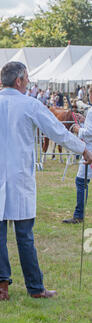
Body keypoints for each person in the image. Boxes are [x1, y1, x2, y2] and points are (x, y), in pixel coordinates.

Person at [0, 61, 92, 301]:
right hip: (18, 179)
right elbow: (58, 132)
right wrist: (83, 149)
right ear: (19, 80)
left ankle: (4, 287)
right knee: (24, 236)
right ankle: (34, 287)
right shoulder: (30, 104)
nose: (28, 83)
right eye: (27, 79)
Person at [63, 87, 92, 224]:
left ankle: (79, 215)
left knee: (81, 182)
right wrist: (85, 119)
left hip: (90, 151)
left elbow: (89, 133)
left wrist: (78, 129)